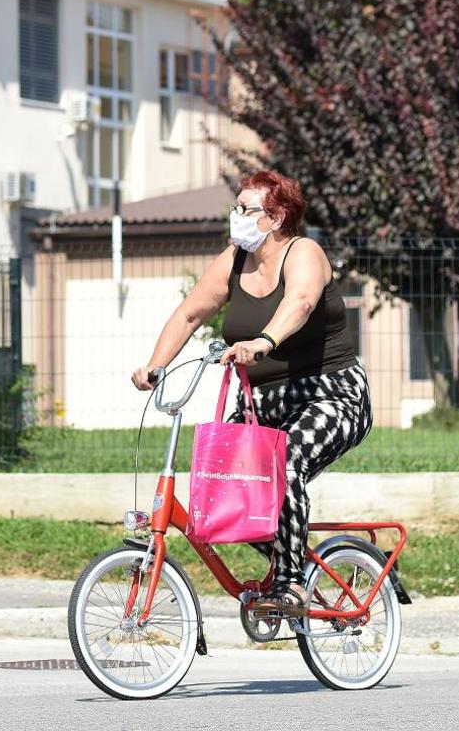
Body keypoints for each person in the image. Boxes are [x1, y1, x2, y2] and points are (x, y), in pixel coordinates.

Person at [130, 170, 370, 613]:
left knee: (287, 463)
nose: (235, 216)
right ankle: (289, 553)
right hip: (263, 401)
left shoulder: (305, 253)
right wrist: (155, 365)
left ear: (276, 217)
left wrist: (265, 341)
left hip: (331, 394)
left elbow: (299, 302)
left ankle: (293, 581)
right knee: (225, 487)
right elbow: (188, 315)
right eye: (235, 207)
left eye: (245, 209)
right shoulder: (235, 259)